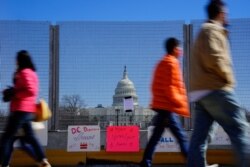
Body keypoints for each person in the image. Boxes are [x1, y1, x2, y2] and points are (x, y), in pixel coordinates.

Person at [187, 0, 250, 167]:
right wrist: (228, 78)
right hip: (216, 88)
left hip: (200, 92)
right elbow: (214, 58)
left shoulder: (203, 31)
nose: (227, 17)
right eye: (226, 14)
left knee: (200, 137)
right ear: (221, 13)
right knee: (240, 129)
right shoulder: (212, 30)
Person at [140, 38, 190, 167]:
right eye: (179, 48)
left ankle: (146, 162)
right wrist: (180, 102)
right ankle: (193, 162)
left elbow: (154, 86)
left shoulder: (161, 63)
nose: (181, 51)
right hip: (168, 107)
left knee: (155, 138)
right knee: (181, 137)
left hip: (162, 106)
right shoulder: (171, 63)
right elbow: (170, 88)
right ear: (174, 48)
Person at [0, 50, 51, 167]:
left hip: (21, 110)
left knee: (7, 138)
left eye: (16, 59)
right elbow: (25, 89)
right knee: (28, 137)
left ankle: (4, 163)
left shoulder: (25, 72)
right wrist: (11, 90)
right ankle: (42, 160)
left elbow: (30, 90)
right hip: (27, 111)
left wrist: (14, 94)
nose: (15, 61)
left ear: (20, 60)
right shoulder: (31, 73)